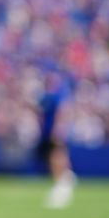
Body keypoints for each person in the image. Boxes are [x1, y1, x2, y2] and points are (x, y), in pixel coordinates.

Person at [38, 70, 77, 209]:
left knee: (57, 155)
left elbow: (62, 112)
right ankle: (63, 179)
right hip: (47, 132)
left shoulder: (58, 96)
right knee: (52, 156)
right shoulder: (45, 96)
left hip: (54, 132)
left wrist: (58, 129)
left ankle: (64, 179)